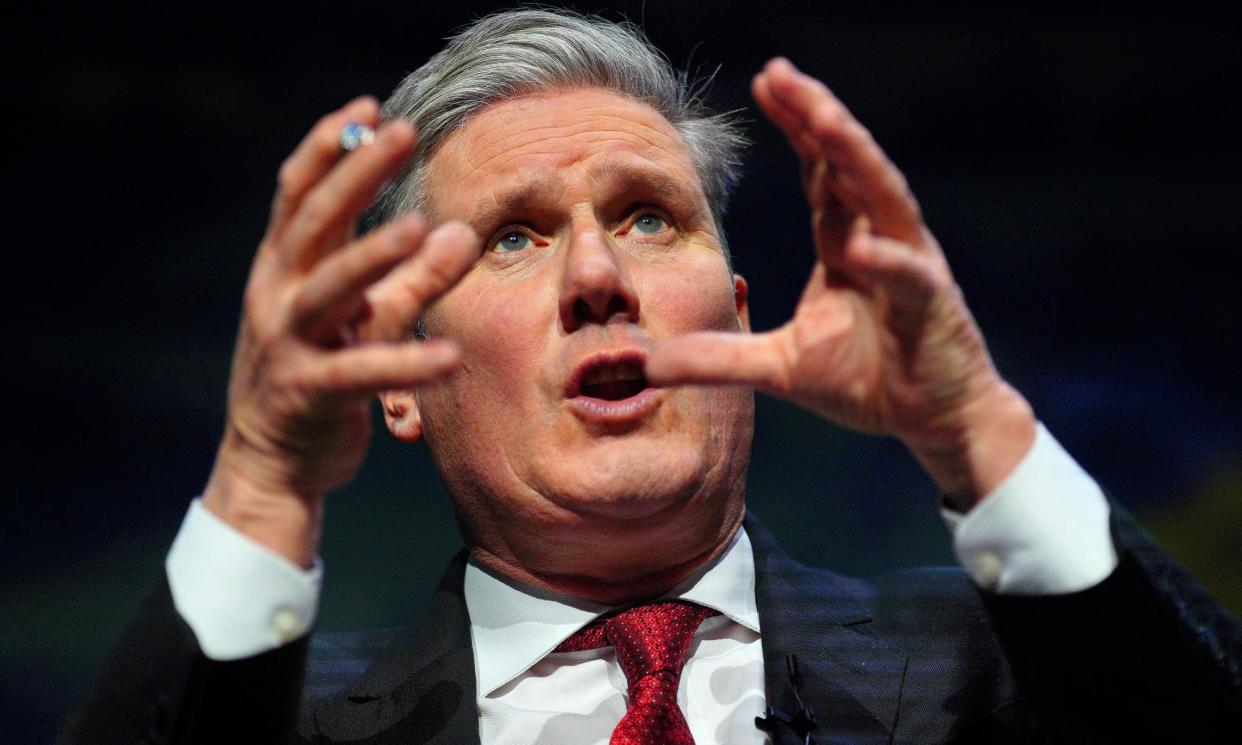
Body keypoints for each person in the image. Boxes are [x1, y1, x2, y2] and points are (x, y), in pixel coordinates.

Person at [61, 8, 1240, 744]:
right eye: (511, 236)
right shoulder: (281, 718)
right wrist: (262, 482)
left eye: (647, 216)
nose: (595, 274)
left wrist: (976, 422)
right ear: (397, 375)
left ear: (736, 317)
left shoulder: (1003, 669)